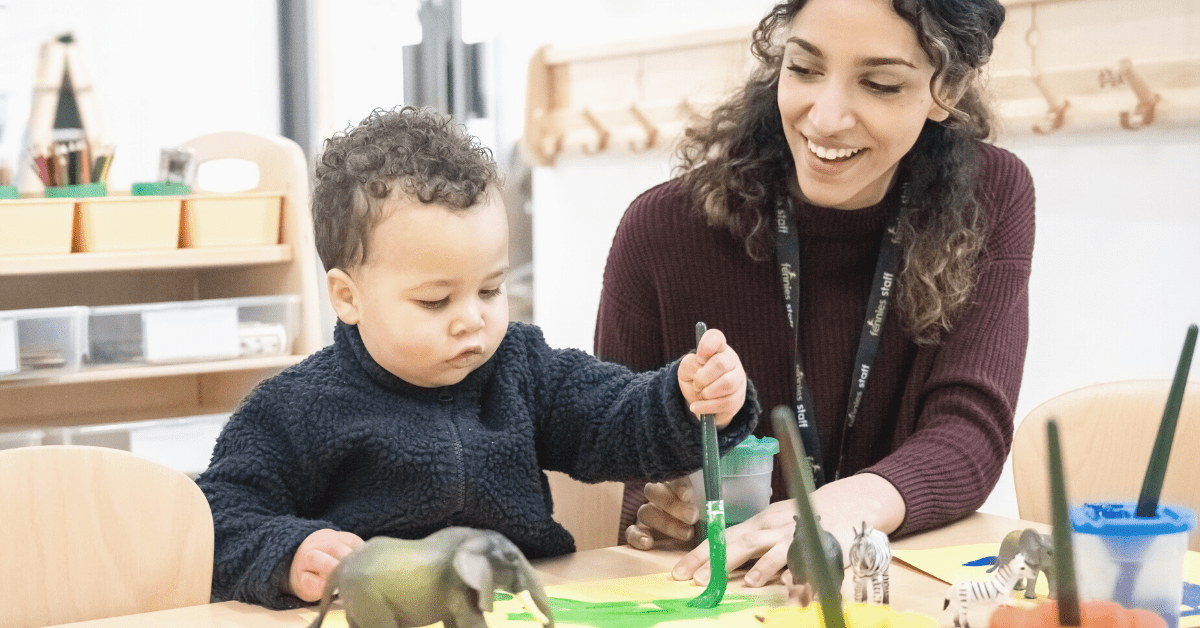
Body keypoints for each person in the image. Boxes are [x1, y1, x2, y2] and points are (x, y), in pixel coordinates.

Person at [196, 106, 759, 610]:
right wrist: (290, 553)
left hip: (521, 603)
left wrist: (687, 399)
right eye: (436, 300)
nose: (474, 319)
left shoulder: (521, 366)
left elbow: (613, 417)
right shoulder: (297, 406)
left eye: (490, 290)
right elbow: (220, 515)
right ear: (348, 297)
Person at [595, 0, 1033, 590]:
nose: (825, 119)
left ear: (947, 87)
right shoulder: (664, 229)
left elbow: (968, 431)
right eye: (803, 69)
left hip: (890, 585)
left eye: (878, 84)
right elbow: (609, 451)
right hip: (719, 591)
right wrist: (653, 512)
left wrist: (829, 511)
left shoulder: (992, 195)